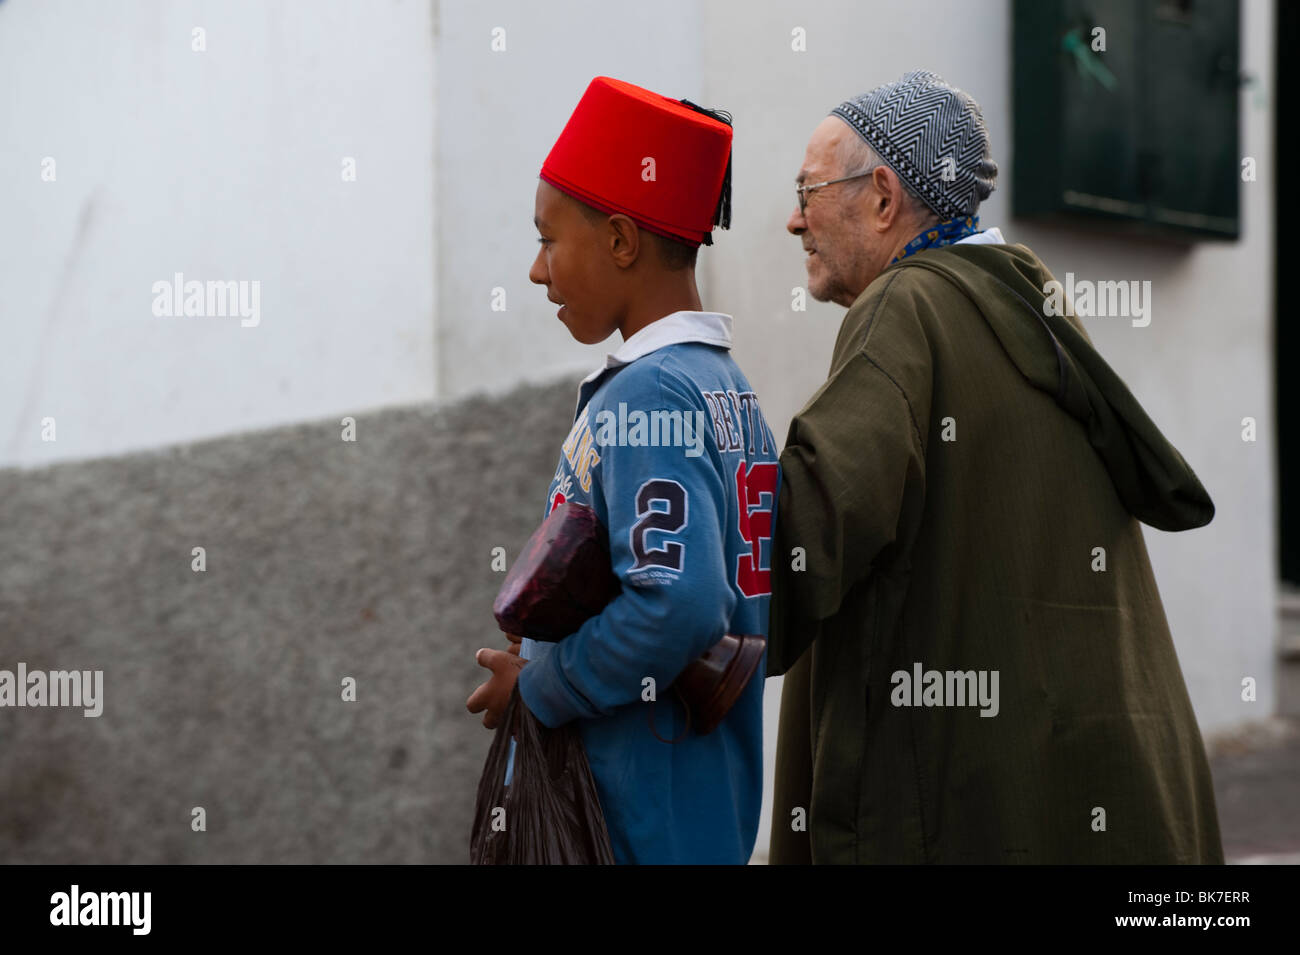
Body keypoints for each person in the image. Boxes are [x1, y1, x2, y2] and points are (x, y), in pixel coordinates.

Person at [767, 70, 1224, 864]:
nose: (793, 219)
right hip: (1108, 789)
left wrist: (627, 643)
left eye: (809, 190)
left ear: (882, 197)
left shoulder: (905, 307)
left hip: (953, 804)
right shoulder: (1029, 307)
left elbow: (801, 539)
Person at [466, 76, 779, 864]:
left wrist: (539, 685)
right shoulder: (724, 386)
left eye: (547, 238)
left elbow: (678, 604)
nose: (537, 272)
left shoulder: (652, 388)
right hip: (693, 810)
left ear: (619, 241)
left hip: (637, 820)